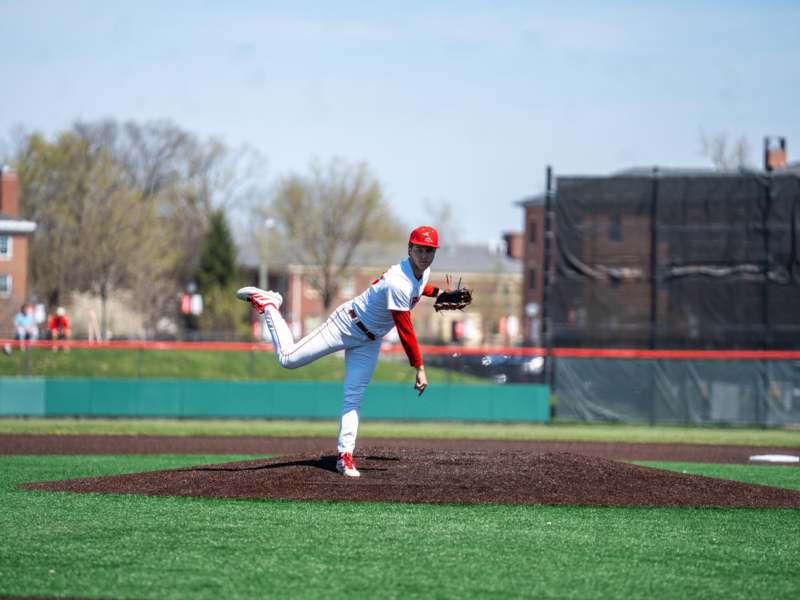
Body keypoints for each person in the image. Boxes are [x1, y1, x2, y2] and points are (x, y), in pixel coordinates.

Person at [237, 226, 442, 478]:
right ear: (409, 249)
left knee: (353, 398)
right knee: (288, 359)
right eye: (420, 249)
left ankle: (345, 457)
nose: (424, 255)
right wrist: (419, 367)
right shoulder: (399, 280)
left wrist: (440, 293)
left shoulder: (421, 272)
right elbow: (405, 329)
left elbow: (420, 287)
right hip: (345, 324)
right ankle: (270, 304)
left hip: (369, 340)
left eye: (430, 250)